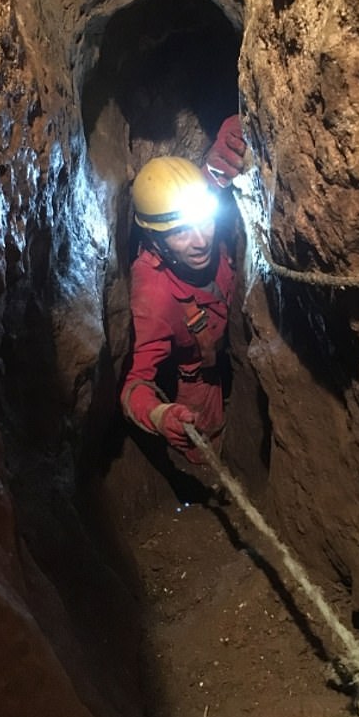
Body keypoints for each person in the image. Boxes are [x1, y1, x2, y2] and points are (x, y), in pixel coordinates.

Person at [121, 115, 246, 474]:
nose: (201, 239)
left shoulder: (191, 207)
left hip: (226, 327)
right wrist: (162, 415)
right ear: (156, 240)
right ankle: (202, 486)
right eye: (180, 234)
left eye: (204, 221)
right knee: (202, 446)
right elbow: (135, 386)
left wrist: (229, 144)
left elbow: (209, 180)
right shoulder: (154, 295)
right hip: (197, 373)